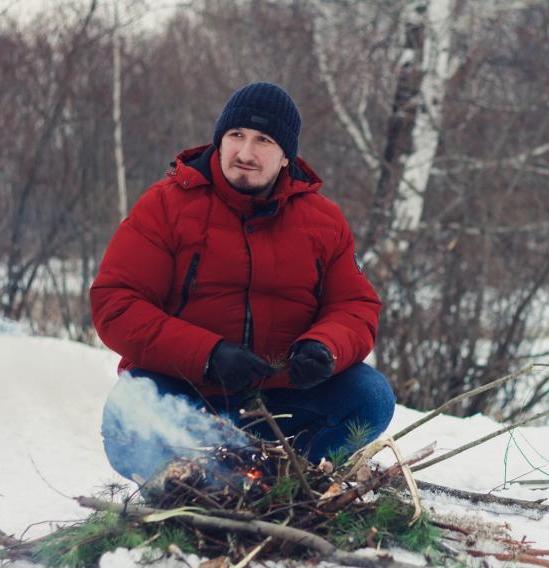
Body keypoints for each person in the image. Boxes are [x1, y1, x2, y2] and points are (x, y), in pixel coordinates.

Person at [90, 82, 395, 482]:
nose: (245, 153)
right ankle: (186, 483)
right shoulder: (165, 206)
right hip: (188, 400)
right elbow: (117, 304)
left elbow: (355, 306)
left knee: (370, 398)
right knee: (126, 415)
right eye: (236, 136)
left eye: (263, 140)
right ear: (220, 140)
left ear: (286, 156)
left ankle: (287, 479)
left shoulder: (323, 220)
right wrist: (207, 355)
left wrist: (325, 348)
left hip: (284, 404)